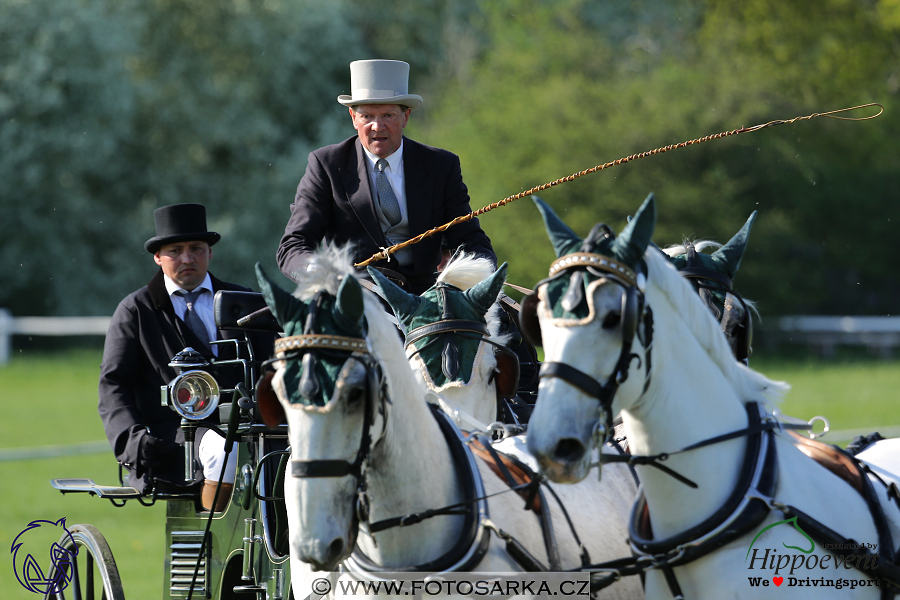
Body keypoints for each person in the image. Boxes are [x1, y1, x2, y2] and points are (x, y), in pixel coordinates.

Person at [98, 203, 275, 511]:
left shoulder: (243, 301)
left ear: (210, 252)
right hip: (173, 436)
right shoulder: (136, 311)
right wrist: (133, 441)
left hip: (248, 427)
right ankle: (213, 542)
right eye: (175, 250)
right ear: (158, 257)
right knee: (223, 452)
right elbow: (114, 385)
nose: (187, 258)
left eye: (196, 248)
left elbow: (271, 368)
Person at [276, 59, 496, 295]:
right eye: (367, 116)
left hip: (426, 302)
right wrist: (324, 276)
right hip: (353, 300)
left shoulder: (441, 165)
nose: (377, 126)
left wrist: (480, 274)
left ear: (406, 117)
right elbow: (293, 246)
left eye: (389, 115)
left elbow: (469, 238)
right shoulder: (326, 165)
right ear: (353, 117)